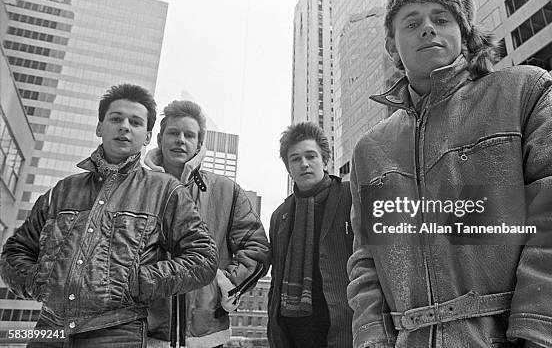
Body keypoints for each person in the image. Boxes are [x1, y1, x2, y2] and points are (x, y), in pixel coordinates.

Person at [347, 0, 552, 348]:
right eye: (412, 22)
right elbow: (366, 261)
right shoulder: (371, 149)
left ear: (465, 34)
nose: (428, 28)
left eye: (442, 18)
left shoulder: (523, 92)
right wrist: (373, 339)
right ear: (392, 46)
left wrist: (544, 335)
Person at [0, 84, 218, 348]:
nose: (125, 126)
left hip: (117, 332)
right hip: (49, 330)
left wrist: (136, 282)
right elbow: (14, 252)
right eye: (116, 118)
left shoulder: (165, 191)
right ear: (99, 127)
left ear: (148, 136)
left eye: (135, 122)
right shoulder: (63, 190)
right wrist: (39, 280)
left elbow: (203, 259)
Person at [145, 100, 270, 348]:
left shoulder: (227, 190)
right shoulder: (137, 189)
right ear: (160, 139)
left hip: (207, 335)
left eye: (189, 135)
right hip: (146, 334)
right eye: (173, 133)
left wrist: (225, 283)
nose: (180, 139)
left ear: (199, 144)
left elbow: (256, 247)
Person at [267, 122, 353, 348]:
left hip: (344, 328)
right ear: (288, 167)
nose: (303, 164)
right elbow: (275, 280)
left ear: (325, 160)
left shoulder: (351, 197)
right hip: (293, 334)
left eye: (310, 156)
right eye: (295, 159)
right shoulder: (280, 215)